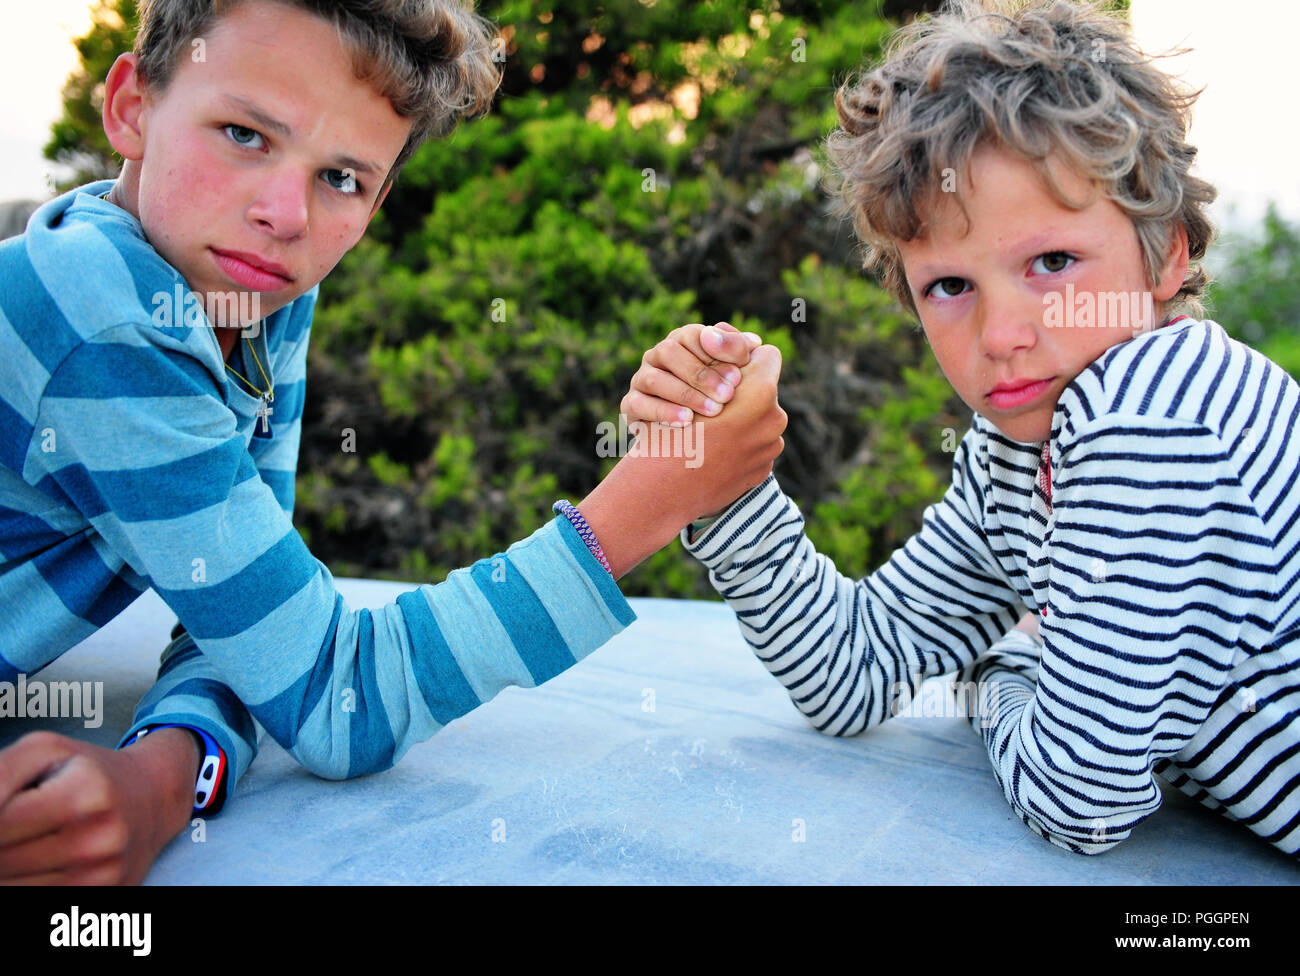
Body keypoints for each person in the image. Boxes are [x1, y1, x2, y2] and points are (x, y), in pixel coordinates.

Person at [0, 0, 786, 883]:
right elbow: (342, 699)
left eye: (342, 178)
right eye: (244, 133)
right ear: (130, 108)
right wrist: (657, 495)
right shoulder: (108, 316)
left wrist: (161, 773)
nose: (285, 211)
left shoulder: (250, 286)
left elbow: (244, 639)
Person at [625, 0, 1300, 856]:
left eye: (1052, 263)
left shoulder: (1156, 414)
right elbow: (852, 676)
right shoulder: (1016, 452)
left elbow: (1078, 801)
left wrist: (1006, 665)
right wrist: (723, 485)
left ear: (1167, 253)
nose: (999, 336)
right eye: (949, 285)